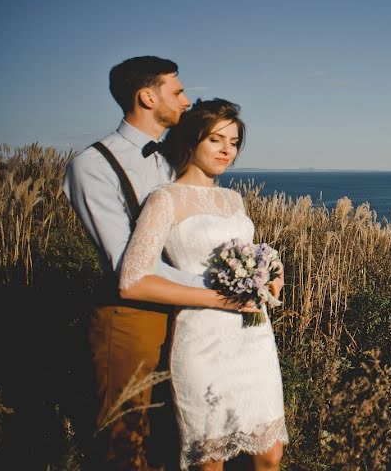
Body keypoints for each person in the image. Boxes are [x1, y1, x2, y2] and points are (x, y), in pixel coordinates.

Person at [63, 56, 247, 470]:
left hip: (192, 319)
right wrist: (217, 286)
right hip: (132, 318)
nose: (185, 101)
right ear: (147, 96)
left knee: (177, 435)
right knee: (126, 439)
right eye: (177, 91)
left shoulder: (178, 156)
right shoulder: (92, 166)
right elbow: (125, 264)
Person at [119, 98, 288, 471]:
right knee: (210, 462)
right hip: (204, 339)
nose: (227, 150)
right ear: (191, 141)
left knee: (270, 454)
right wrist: (220, 300)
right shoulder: (165, 199)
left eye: (233, 141)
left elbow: (244, 251)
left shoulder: (232, 199)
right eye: (216, 140)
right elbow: (132, 281)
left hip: (254, 337)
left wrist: (272, 267)